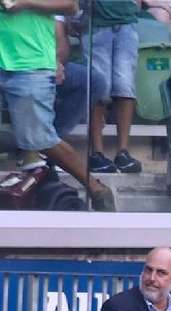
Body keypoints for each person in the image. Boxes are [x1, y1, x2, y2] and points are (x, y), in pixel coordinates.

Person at [0, 0, 115, 210]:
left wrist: (24, 2)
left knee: (42, 139)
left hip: (29, 61)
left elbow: (70, 5)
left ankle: (96, 189)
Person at [87, 0, 142, 173]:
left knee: (125, 88)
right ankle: (96, 152)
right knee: (99, 88)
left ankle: (123, 152)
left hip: (127, 21)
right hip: (95, 23)